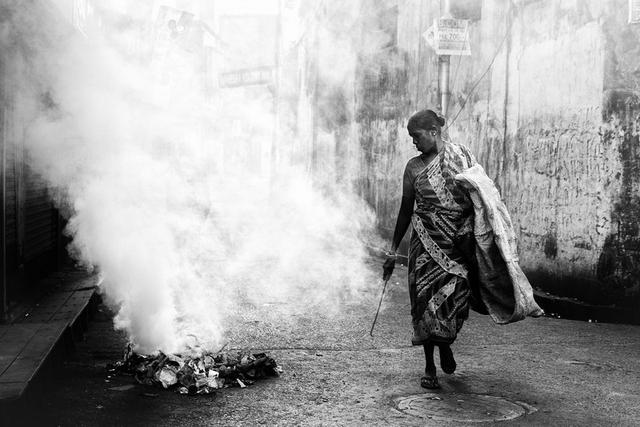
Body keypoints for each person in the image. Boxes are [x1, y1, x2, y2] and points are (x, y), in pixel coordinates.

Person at [383, 109, 542, 389]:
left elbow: (483, 194)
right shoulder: (413, 168)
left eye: (417, 136)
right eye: (411, 138)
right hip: (424, 245)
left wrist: (483, 231)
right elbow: (406, 210)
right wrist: (392, 250)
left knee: (453, 301)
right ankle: (429, 366)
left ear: (434, 132)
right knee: (424, 303)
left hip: (458, 245)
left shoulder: (462, 156)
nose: (414, 143)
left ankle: (445, 345)